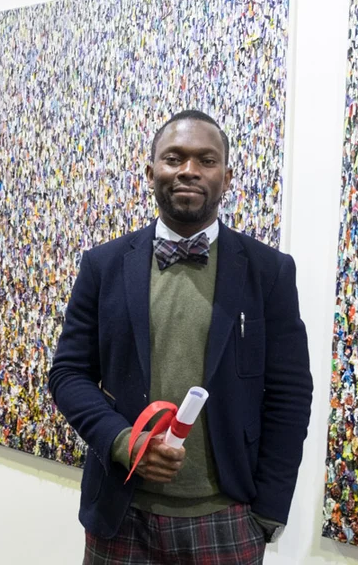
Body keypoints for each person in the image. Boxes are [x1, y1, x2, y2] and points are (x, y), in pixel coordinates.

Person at [48, 109, 312, 564]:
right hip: (120, 512)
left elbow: (289, 394)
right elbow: (68, 374)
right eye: (174, 158)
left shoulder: (269, 271)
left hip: (227, 518)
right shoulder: (103, 265)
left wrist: (269, 512)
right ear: (151, 172)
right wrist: (123, 441)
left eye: (206, 160)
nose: (189, 170)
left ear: (227, 177)